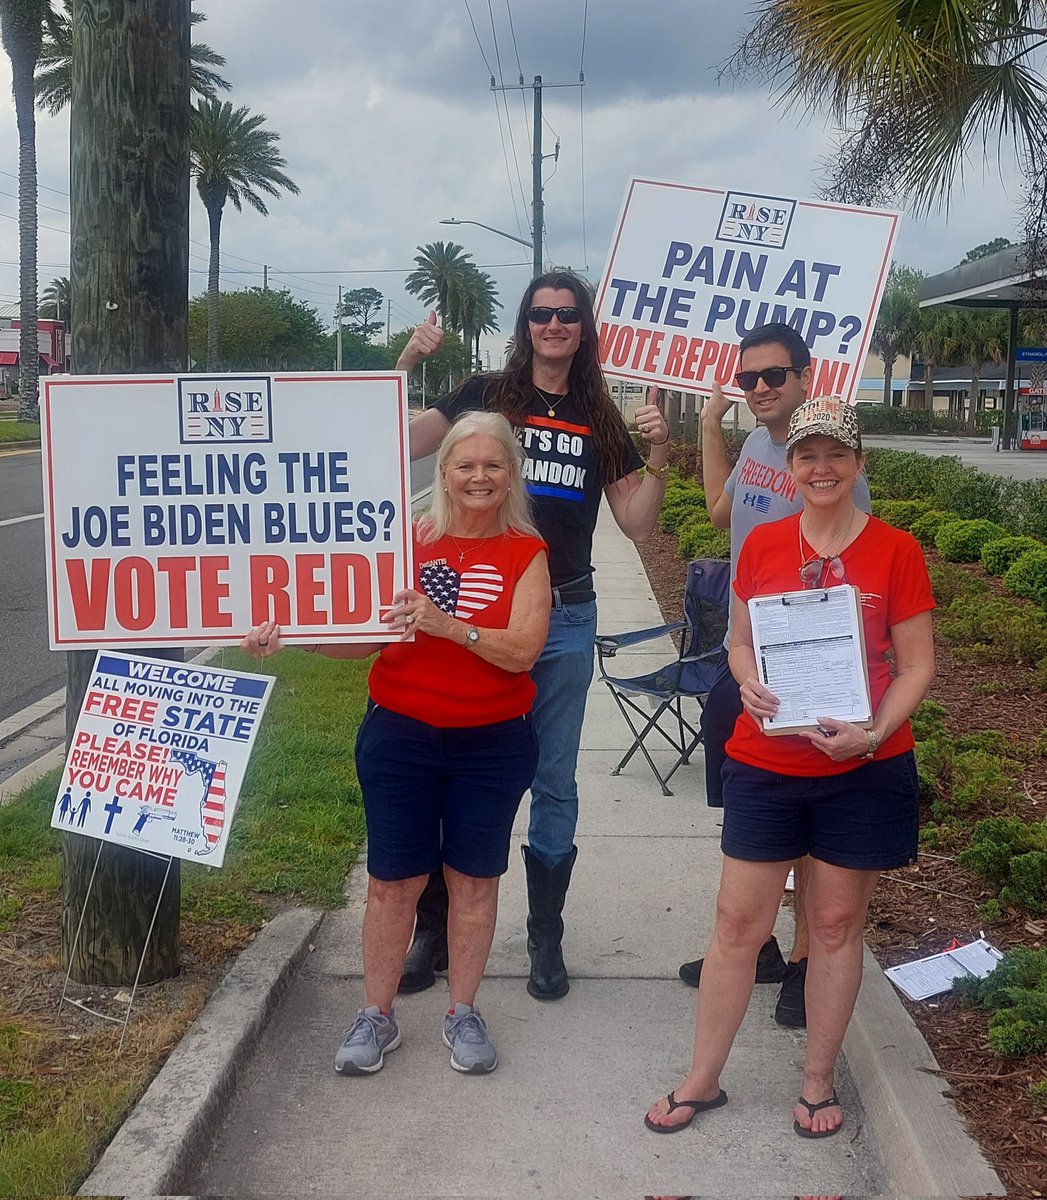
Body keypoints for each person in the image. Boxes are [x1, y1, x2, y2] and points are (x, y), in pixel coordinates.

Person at [645, 394, 934, 1138]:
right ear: (791, 464)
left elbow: (916, 666)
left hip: (862, 766)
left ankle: (814, 1083)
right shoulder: (766, 545)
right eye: (807, 454)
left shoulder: (895, 550)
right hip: (767, 762)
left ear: (856, 462)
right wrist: (744, 676)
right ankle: (702, 1078)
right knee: (736, 924)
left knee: (835, 925)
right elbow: (741, 643)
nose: (821, 467)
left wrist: (871, 733)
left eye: (835, 453)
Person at [242, 412, 550, 1075]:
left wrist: (449, 626)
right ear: (441, 473)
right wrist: (293, 637)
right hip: (401, 735)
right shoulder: (404, 543)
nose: (478, 477)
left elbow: (523, 651)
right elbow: (366, 633)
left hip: (491, 743)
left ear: (510, 475)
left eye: (492, 465)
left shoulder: (526, 551)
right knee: (393, 882)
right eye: (464, 465)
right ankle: (375, 1015)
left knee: (473, 883)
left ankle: (462, 1012)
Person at [397, 270, 670, 1000]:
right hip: (473, 606)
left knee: (552, 779)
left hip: (566, 615)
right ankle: (435, 927)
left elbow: (637, 523)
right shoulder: (486, 392)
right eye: (541, 313)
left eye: (567, 314)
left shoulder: (600, 414)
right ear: (525, 324)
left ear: (583, 328)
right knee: (449, 761)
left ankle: (545, 933)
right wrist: (407, 364)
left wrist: (662, 454)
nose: (553, 325)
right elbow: (397, 441)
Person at [677, 322, 872, 1030]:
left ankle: (801, 962)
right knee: (753, 818)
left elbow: (847, 585)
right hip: (742, 662)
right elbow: (718, 511)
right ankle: (754, 942)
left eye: (771, 377)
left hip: (802, 675)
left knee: (807, 826)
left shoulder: (827, 464)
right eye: (746, 379)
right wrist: (707, 426)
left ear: (803, 376)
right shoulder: (762, 445)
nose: (758, 389)